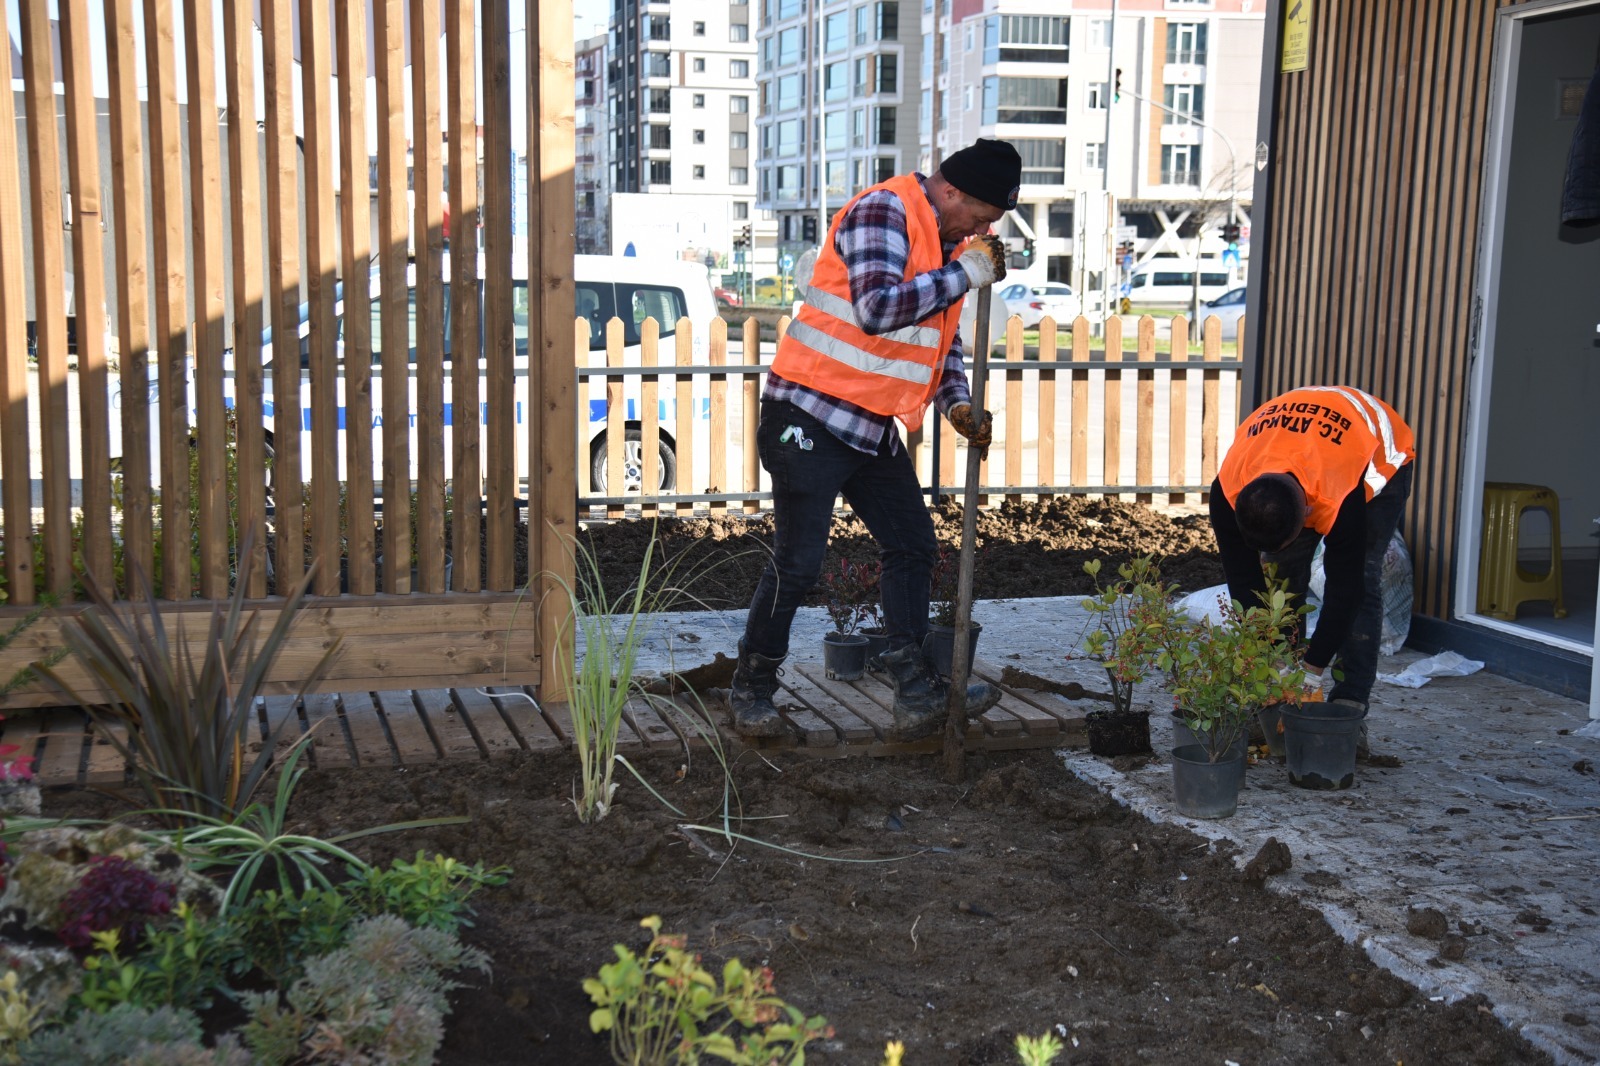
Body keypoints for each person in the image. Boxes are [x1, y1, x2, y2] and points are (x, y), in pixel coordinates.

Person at [728, 139, 1021, 741]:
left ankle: (915, 690)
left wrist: (957, 402)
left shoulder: (950, 244)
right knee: (798, 563)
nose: (985, 229)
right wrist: (963, 274)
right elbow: (877, 308)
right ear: (953, 191)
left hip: (868, 423)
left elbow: (939, 344)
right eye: (984, 216)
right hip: (807, 414)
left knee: (912, 545)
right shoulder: (885, 211)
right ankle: (751, 687)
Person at [1209, 386, 1416, 747]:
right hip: (1297, 447)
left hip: (1380, 454)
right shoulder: (1227, 491)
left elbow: (1345, 590)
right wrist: (1275, 659)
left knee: (1363, 575)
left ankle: (1348, 707)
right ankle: (1280, 703)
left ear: (1308, 516)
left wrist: (1313, 668)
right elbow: (1245, 583)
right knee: (1279, 578)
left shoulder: (1340, 495)